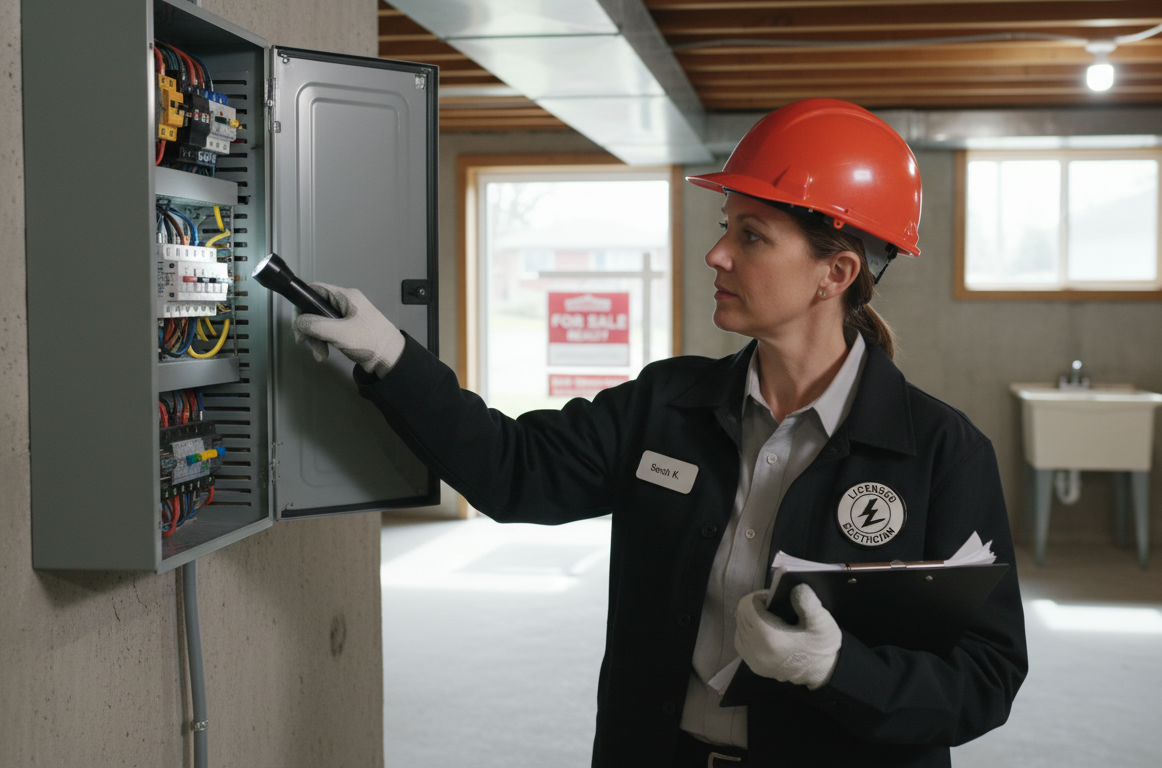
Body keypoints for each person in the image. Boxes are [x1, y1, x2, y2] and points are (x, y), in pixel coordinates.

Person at [295, 98, 1027, 768]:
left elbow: (985, 677)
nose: (717, 255)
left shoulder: (941, 453)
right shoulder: (666, 406)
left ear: (834, 272)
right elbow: (513, 469)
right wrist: (389, 354)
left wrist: (836, 669)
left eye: (751, 236)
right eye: (725, 230)